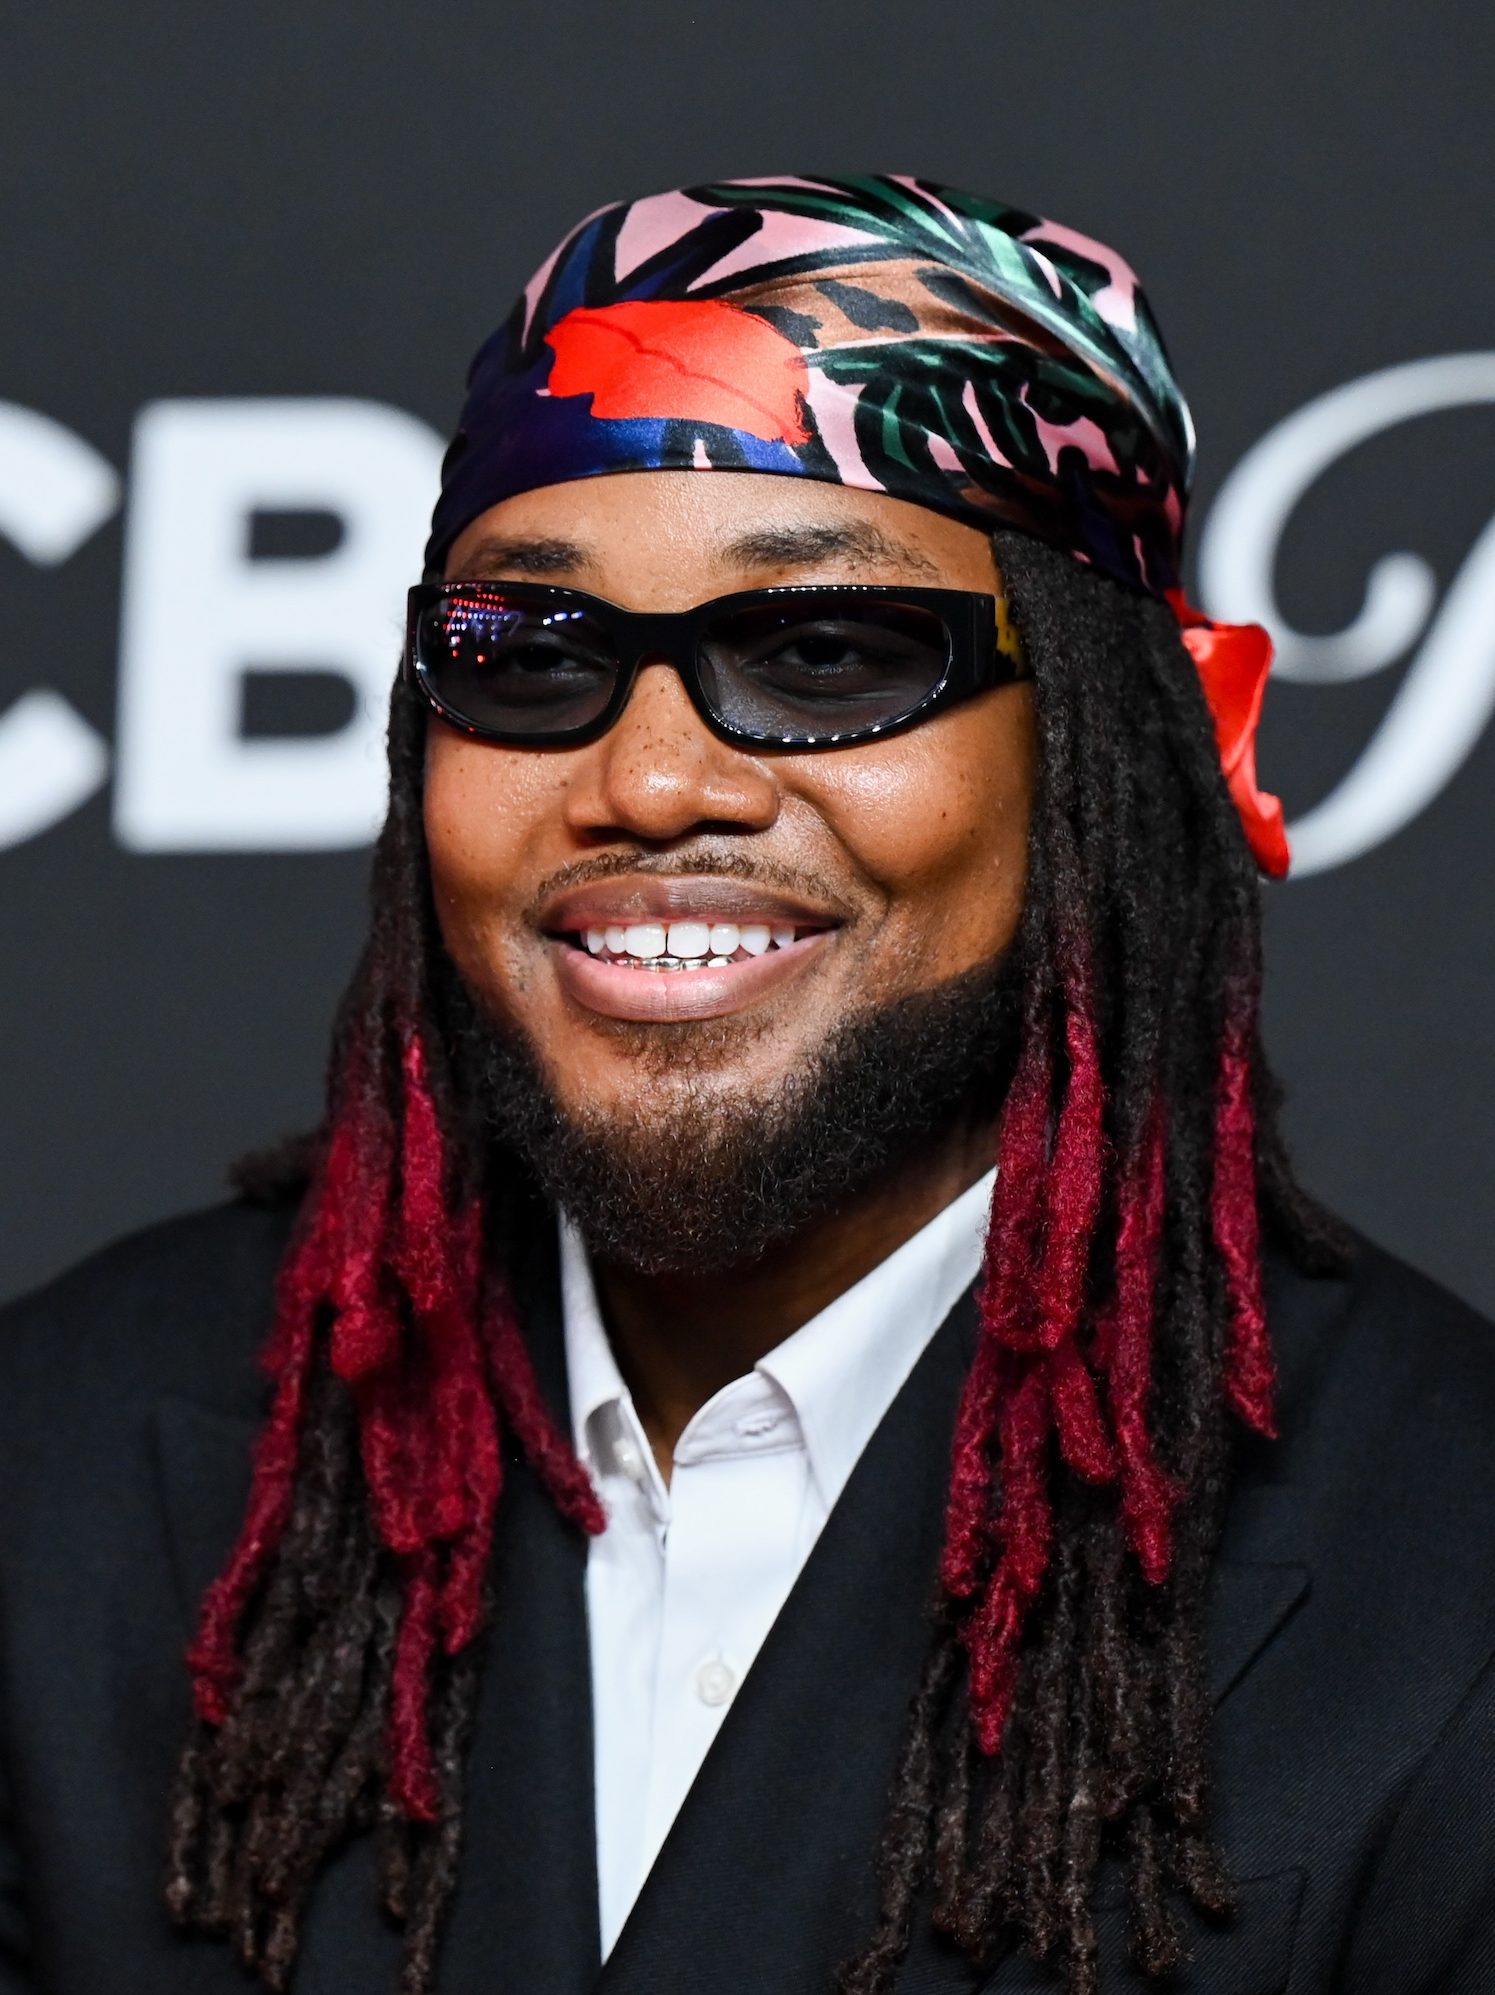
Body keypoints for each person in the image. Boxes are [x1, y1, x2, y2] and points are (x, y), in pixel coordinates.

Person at [1, 175, 1492, 1995]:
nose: (647, 782)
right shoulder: (65, 1458)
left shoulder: (1448, 1570)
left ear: (1114, 751)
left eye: (825, 657)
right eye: (528, 659)